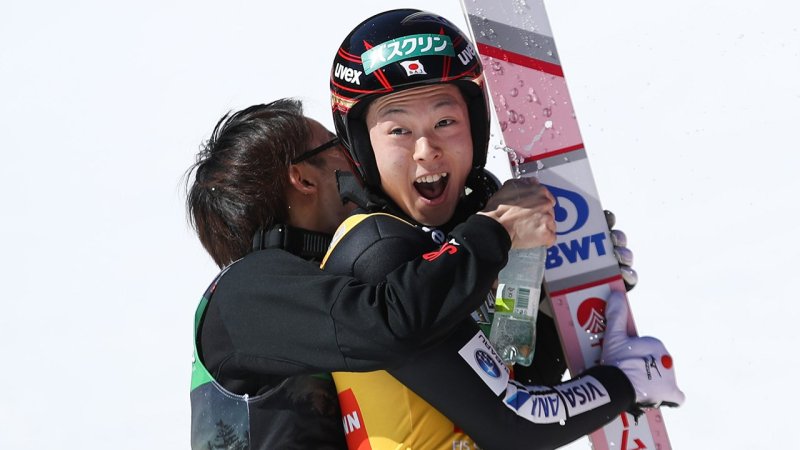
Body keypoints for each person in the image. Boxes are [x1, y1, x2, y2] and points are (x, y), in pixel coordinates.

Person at [323, 9, 684, 450]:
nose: (427, 151)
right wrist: (620, 386)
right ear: (361, 145)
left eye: (445, 122)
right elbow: (514, 427)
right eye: (399, 130)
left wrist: (552, 294)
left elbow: (516, 375)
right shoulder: (377, 254)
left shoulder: (462, 234)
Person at [185, 99, 556, 449]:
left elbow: (496, 406)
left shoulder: (330, 305)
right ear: (303, 179)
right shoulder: (242, 294)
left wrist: (549, 301)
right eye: (338, 146)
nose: (358, 162)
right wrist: (491, 232)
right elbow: (389, 320)